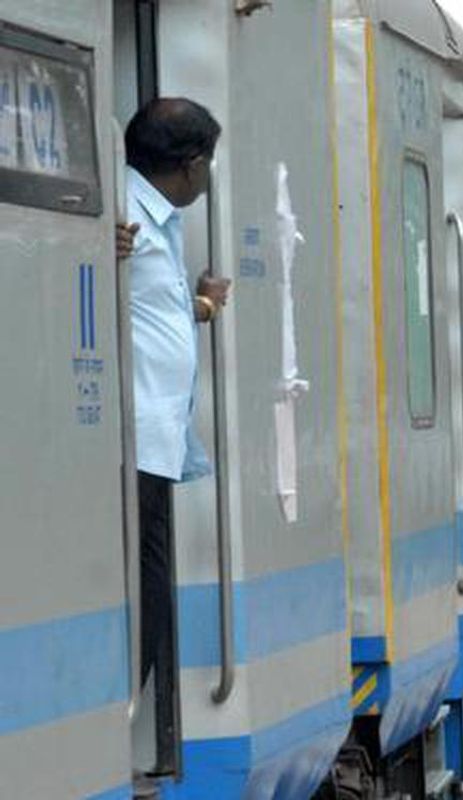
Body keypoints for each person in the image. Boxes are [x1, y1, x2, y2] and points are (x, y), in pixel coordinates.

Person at [115, 97, 230, 774]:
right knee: (144, 592)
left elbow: (150, 304)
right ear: (189, 166)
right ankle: (117, 731)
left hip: (156, 443)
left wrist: (204, 304)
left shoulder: (156, 219)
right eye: (208, 162)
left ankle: (125, 723)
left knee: (150, 590)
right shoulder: (121, 217)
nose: (210, 176)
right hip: (133, 443)